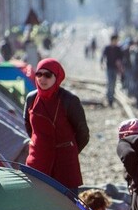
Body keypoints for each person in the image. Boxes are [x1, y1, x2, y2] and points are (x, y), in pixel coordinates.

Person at [24, 58, 90, 191]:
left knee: (66, 207)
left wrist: (68, 151)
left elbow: (83, 133)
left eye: (47, 75)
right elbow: (29, 127)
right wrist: (41, 145)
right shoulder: (31, 98)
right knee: (38, 205)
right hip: (38, 161)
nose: (42, 79)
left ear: (57, 77)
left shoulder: (69, 100)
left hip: (64, 165)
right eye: (39, 74)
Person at [100, 35, 123, 107]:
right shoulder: (107, 48)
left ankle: (111, 99)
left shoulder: (118, 48)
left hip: (115, 68)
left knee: (113, 83)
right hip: (109, 67)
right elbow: (103, 56)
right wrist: (101, 64)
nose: (117, 42)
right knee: (110, 82)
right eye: (116, 40)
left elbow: (121, 57)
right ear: (112, 40)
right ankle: (109, 98)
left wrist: (120, 65)